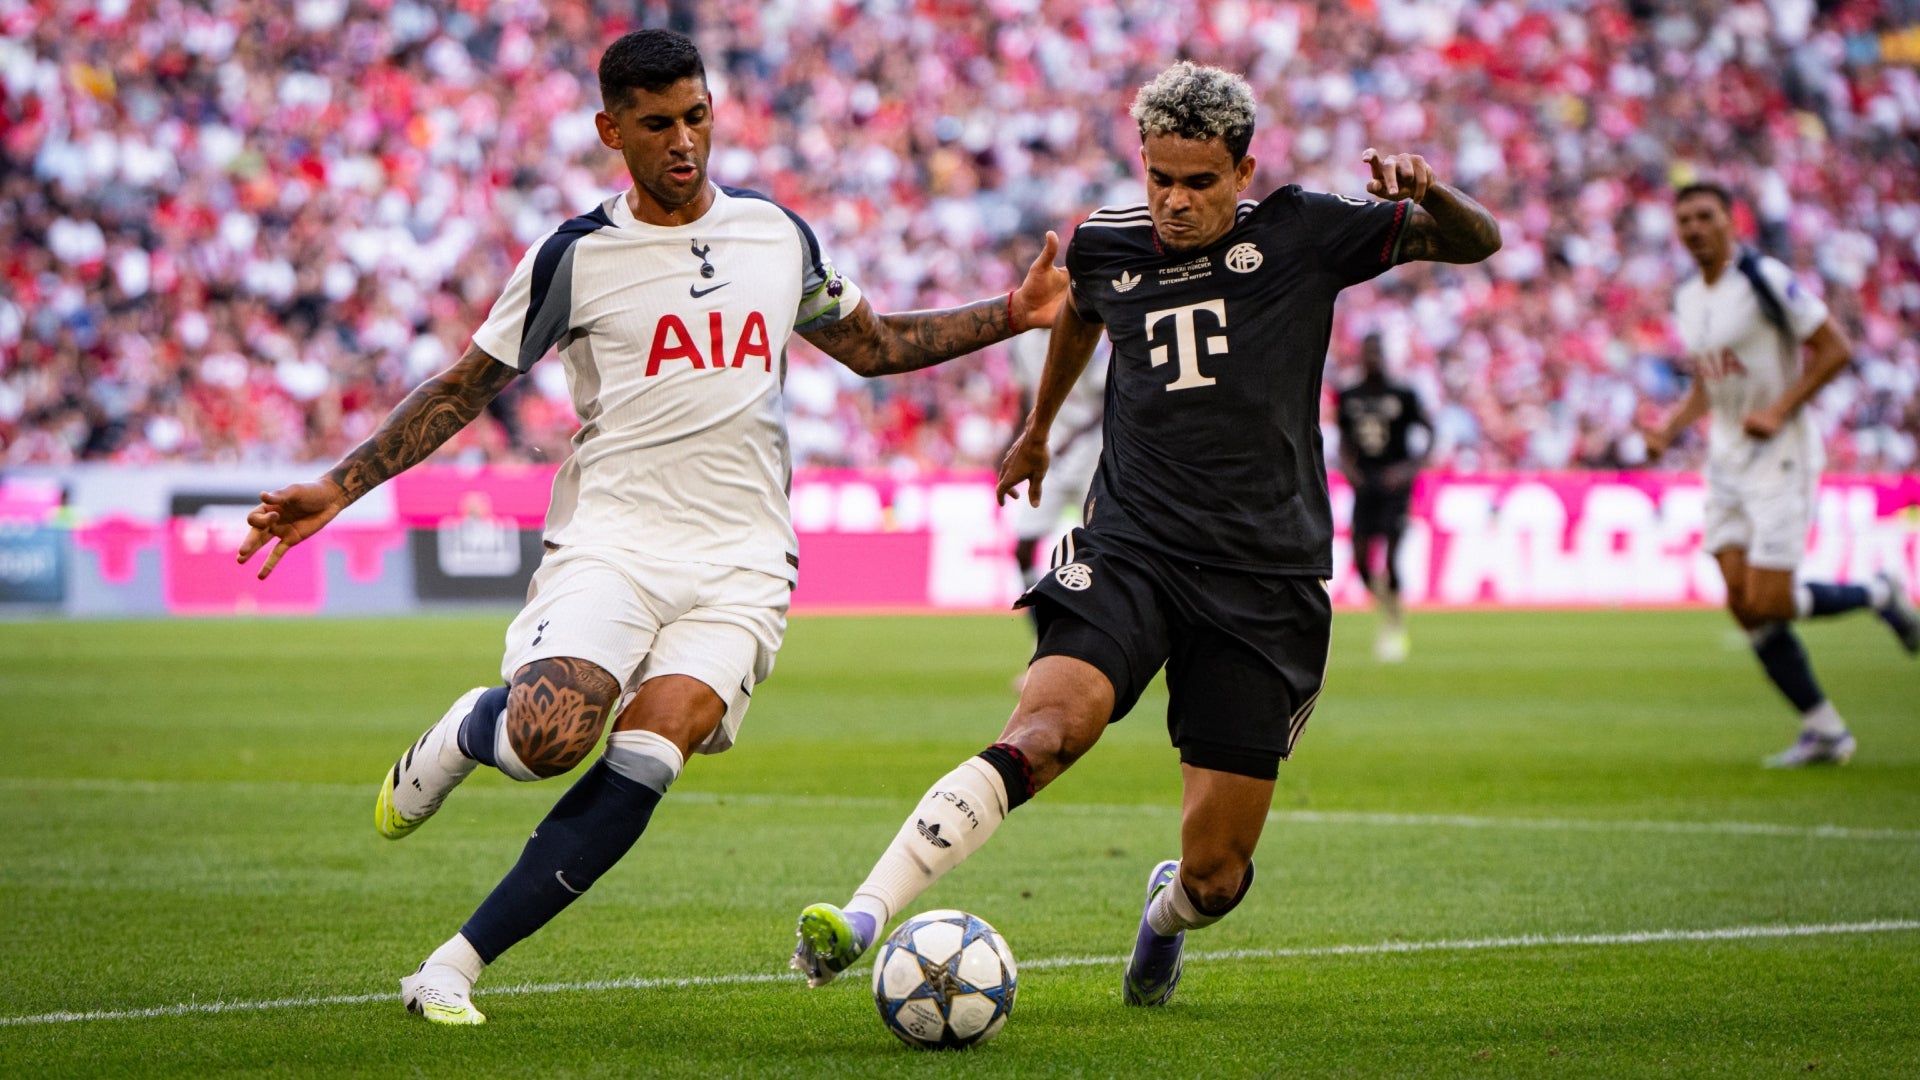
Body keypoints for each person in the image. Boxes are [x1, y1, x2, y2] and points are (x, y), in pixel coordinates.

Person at [235, 29, 1066, 1026]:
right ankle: (471, 729)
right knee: (548, 738)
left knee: (652, 750)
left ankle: (451, 968)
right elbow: (465, 387)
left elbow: (876, 344)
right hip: (614, 543)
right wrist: (341, 485)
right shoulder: (575, 257)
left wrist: (1010, 312)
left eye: (697, 117)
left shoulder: (777, 235)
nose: (683, 140)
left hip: (744, 563)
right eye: (658, 123)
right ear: (611, 131)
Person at [790, 61, 1500, 1005]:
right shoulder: (1105, 244)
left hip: (1264, 576)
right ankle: (862, 915)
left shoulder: (1304, 231)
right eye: (1160, 178)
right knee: (1047, 729)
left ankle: (1165, 916)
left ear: (1243, 173)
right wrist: (1039, 428)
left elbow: (1479, 241)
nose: (1174, 200)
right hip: (1132, 546)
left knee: (1217, 876)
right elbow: (1079, 316)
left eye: (1199, 182)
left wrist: (1431, 193)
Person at [1643, 182, 1917, 768]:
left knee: (1769, 598)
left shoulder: (1764, 278)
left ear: (1731, 221)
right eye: (1685, 219)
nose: (1694, 228)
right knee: (1743, 606)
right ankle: (1825, 731)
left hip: (1780, 454)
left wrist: (1779, 408)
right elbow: (1710, 380)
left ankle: (1877, 592)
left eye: (1705, 216)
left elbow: (1835, 347)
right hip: (1726, 459)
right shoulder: (1689, 295)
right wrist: (1670, 427)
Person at [1007, 326, 1107, 672]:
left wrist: (1073, 439)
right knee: (1022, 549)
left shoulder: (1085, 333)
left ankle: (1102, 644)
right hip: (1048, 454)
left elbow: (1106, 399)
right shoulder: (1023, 343)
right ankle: (1042, 642)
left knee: (1102, 548)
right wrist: (1013, 444)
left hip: (1092, 454)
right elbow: (1027, 399)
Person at [1335, 332, 1431, 662]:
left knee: (1390, 559)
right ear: (1361, 356)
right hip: (1365, 485)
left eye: (1377, 353)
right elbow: (1344, 440)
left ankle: (1394, 624)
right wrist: (1348, 469)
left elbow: (1430, 432)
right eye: (1368, 353)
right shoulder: (1348, 395)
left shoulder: (1403, 394)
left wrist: (1408, 470)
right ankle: (1389, 609)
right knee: (1361, 561)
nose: (1373, 359)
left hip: (1394, 486)